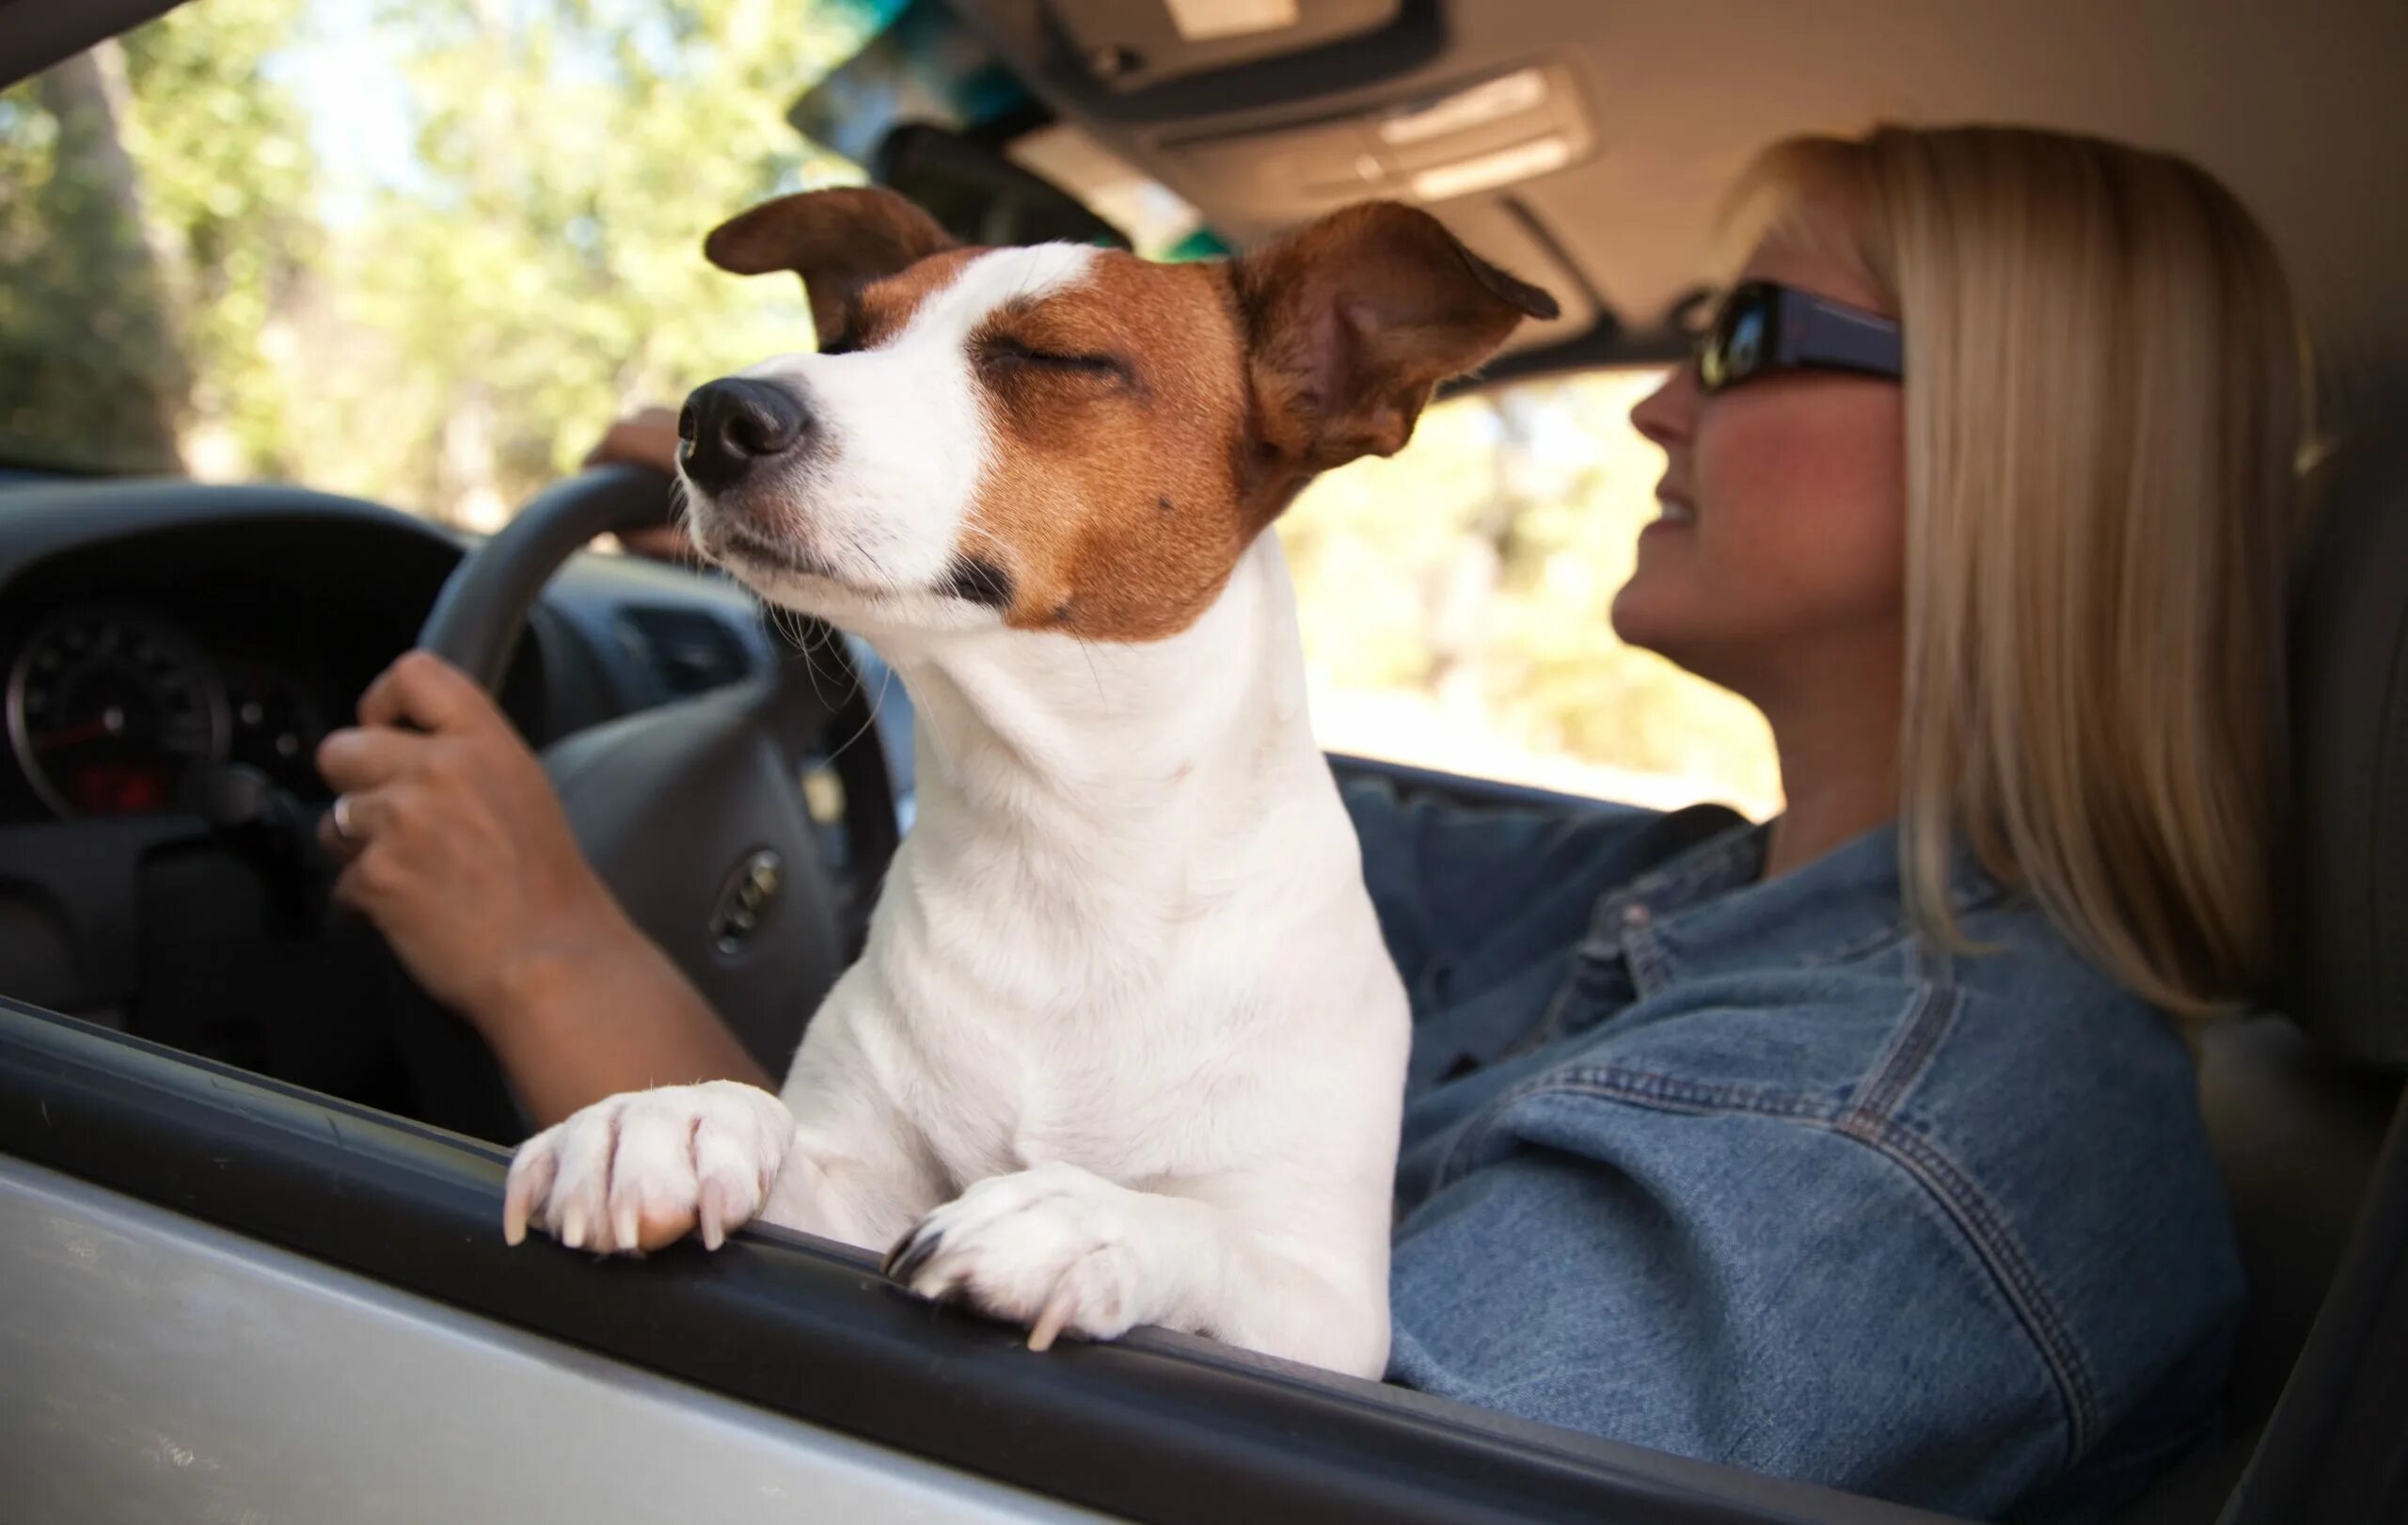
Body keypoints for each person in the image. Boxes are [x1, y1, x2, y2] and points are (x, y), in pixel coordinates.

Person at [312, 124, 2307, 1521]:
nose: (1649, 410)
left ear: (2022, 458)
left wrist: (561, 960)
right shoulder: (1681, 889)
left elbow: (1146, 1484)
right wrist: (832, 501)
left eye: (1739, 339)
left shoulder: (1880, 1132)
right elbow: (1110, 787)